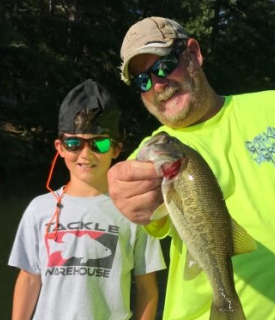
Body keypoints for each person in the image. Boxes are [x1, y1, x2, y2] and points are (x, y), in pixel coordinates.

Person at [107, 16, 275, 320]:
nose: (157, 84)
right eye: (143, 81)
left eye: (164, 66)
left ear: (194, 53)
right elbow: (140, 202)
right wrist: (127, 194)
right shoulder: (153, 155)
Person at [8, 79, 166, 320]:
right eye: (74, 143)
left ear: (115, 149)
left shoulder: (135, 209)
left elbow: (147, 289)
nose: (85, 154)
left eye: (98, 143)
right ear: (60, 148)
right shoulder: (39, 209)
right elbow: (29, 279)